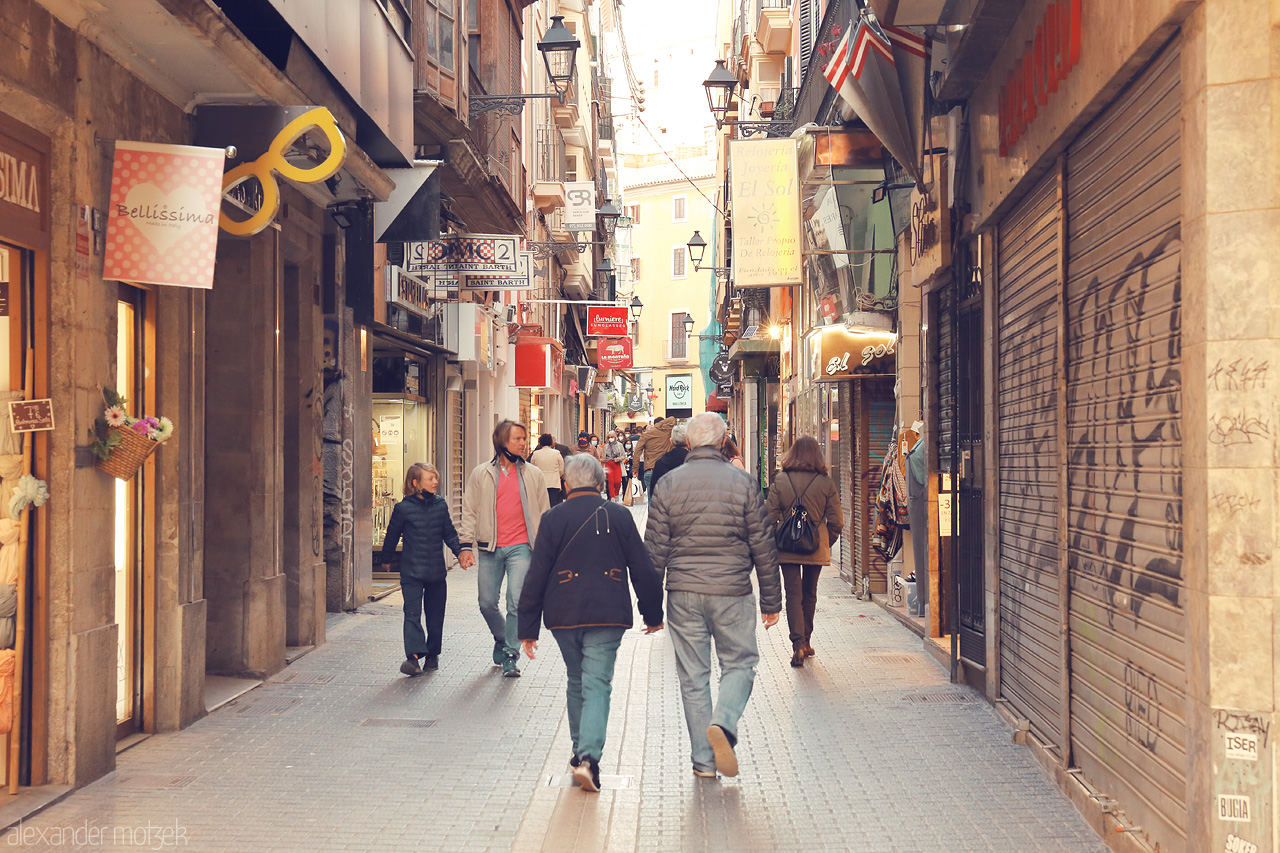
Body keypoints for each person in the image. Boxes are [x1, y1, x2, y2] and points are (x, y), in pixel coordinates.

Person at [644, 413, 781, 778]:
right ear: (723, 443)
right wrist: (771, 602)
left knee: (693, 677)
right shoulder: (743, 483)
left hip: (683, 592)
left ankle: (704, 762)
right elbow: (763, 547)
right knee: (740, 664)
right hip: (732, 591)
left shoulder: (669, 484)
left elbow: (654, 550)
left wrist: (650, 610)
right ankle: (724, 721)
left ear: (688, 443)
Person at [518, 454, 665, 792]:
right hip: (608, 611)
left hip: (563, 612)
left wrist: (527, 628)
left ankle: (578, 751)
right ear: (600, 483)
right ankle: (588, 758)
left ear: (566, 484)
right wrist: (653, 614)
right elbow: (642, 568)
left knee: (576, 679)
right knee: (597, 682)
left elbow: (537, 573)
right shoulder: (619, 515)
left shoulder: (553, 519)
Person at [459, 419, 551, 677]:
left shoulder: (533, 474)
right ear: (502, 442)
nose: (523, 443)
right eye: (517, 439)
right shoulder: (481, 474)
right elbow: (470, 511)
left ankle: (511, 653)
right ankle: (502, 637)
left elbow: (545, 513)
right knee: (487, 602)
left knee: (516, 601)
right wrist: (465, 545)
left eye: (524, 439)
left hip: (522, 547)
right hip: (490, 547)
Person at [766, 435, 844, 667]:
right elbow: (837, 521)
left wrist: (777, 538)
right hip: (815, 546)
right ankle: (807, 641)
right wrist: (824, 541)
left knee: (793, 594)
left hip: (787, 546)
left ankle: (797, 645)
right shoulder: (826, 482)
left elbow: (769, 517)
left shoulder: (781, 480)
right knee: (810, 593)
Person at [380, 463, 462, 676]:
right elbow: (392, 535)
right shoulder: (403, 509)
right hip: (412, 572)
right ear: (415, 483)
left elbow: (449, 533)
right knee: (412, 613)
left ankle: (433, 654)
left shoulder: (440, 505)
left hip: (436, 572)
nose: (435, 482)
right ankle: (413, 658)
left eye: (435, 478)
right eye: (430, 479)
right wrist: (386, 559)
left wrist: (461, 552)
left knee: (435, 616)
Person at [632, 416, 676, 494]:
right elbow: (672, 419)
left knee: (651, 498)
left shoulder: (646, 435)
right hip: (665, 469)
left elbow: (637, 452)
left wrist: (635, 469)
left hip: (650, 469)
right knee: (665, 498)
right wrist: (660, 425)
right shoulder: (667, 433)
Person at [647, 422, 689, 499]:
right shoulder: (693, 460)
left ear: (671, 441)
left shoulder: (661, 462)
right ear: (688, 441)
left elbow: (654, 491)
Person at [530, 433, 566, 506]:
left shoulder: (536, 454)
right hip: (554, 483)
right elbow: (562, 469)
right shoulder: (557, 453)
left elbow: (532, 467)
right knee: (553, 504)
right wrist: (557, 475)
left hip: (540, 483)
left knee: (542, 505)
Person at [601, 430, 626, 500]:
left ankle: (617, 493)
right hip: (608, 464)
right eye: (609, 437)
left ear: (615, 437)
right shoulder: (606, 446)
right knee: (610, 481)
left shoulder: (619, 445)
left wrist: (619, 459)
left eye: (612, 437)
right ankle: (612, 496)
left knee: (618, 481)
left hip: (617, 464)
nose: (610, 438)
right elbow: (604, 456)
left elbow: (624, 456)